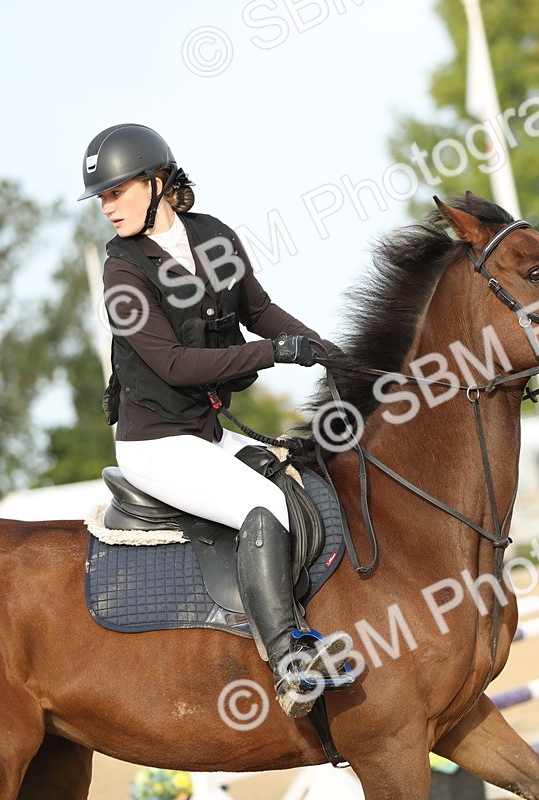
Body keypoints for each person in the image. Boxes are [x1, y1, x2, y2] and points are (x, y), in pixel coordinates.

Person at [78, 123, 350, 715]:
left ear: (156, 183)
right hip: (155, 445)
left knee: (300, 487)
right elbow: (175, 366)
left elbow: (259, 310)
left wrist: (324, 350)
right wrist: (274, 354)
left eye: (115, 192)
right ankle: (288, 660)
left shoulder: (212, 237)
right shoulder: (122, 272)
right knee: (267, 507)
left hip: (204, 435)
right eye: (101, 198)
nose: (107, 208)